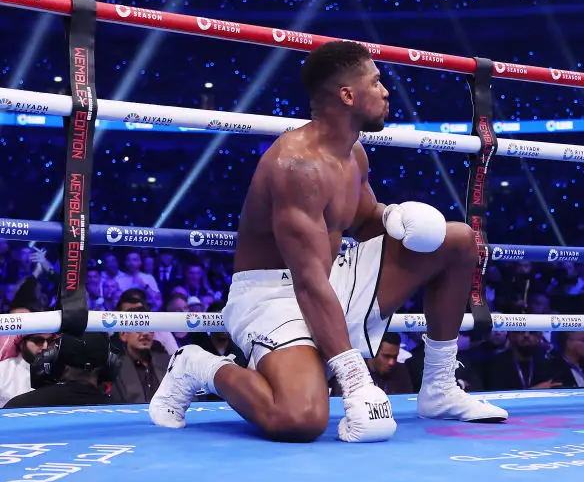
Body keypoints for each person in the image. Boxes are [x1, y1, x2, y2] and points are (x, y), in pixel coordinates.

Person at [150, 41, 507, 442]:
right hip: (274, 295)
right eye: (376, 81)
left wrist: (393, 216)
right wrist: (354, 378)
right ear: (347, 95)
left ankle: (439, 388)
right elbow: (308, 282)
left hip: (330, 276)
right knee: (300, 419)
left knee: (457, 239)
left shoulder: (353, 152)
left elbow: (362, 219)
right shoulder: (296, 165)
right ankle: (197, 366)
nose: (386, 91)